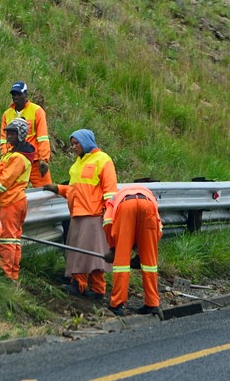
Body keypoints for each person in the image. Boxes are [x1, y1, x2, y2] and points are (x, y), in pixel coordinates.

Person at [42, 129, 117, 299]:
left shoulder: (103, 160)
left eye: (77, 143)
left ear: (86, 142)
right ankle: (80, 284)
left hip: (94, 215)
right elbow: (75, 190)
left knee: (94, 253)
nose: (74, 147)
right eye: (72, 144)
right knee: (79, 251)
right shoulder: (77, 163)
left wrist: (107, 216)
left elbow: (110, 192)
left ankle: (96, 289)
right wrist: (59, 189)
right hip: (77, 213)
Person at [0, 118, 32, 282]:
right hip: (17, 201)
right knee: (14, 239)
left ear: (21, 135)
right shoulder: (18, 154)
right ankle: (13, 273)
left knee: (7, 238)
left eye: (12, 133)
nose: (8, 136)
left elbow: (3, 183)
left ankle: (5, 272)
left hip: (11, 201)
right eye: (7, 132)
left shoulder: (17, 158)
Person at [103, 184, 163, 316]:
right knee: (150, 264)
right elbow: (158, 227)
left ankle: (117, 304)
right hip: (148, 206)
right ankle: (152, 303)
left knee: (121, 263)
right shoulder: (150, 197)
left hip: (125, 207)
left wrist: (114, 247)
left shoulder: (113, 199)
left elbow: (107, 221)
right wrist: (145, 251)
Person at [0, 81, 51, 187]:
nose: (16, 97)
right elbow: (3, 138)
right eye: (14, 94)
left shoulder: (37, 111)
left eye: (19, 94)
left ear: (26, 94)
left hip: (35, 160)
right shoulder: (7, 114)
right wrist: (5, 156)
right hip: (15, 159)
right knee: (13, 192)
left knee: (46, 191)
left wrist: (44, 159)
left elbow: (43, 137)